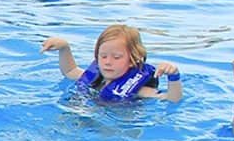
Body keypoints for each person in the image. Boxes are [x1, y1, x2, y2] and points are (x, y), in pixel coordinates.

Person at [40, 24, 182, 103]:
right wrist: (64, 48)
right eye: (103, 56)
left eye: (117, 57)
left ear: (132, 60)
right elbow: (70, 71)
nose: (108, 62)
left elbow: (172, 99)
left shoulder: (139, 89)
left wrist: (173, 76)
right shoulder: (95, 78)